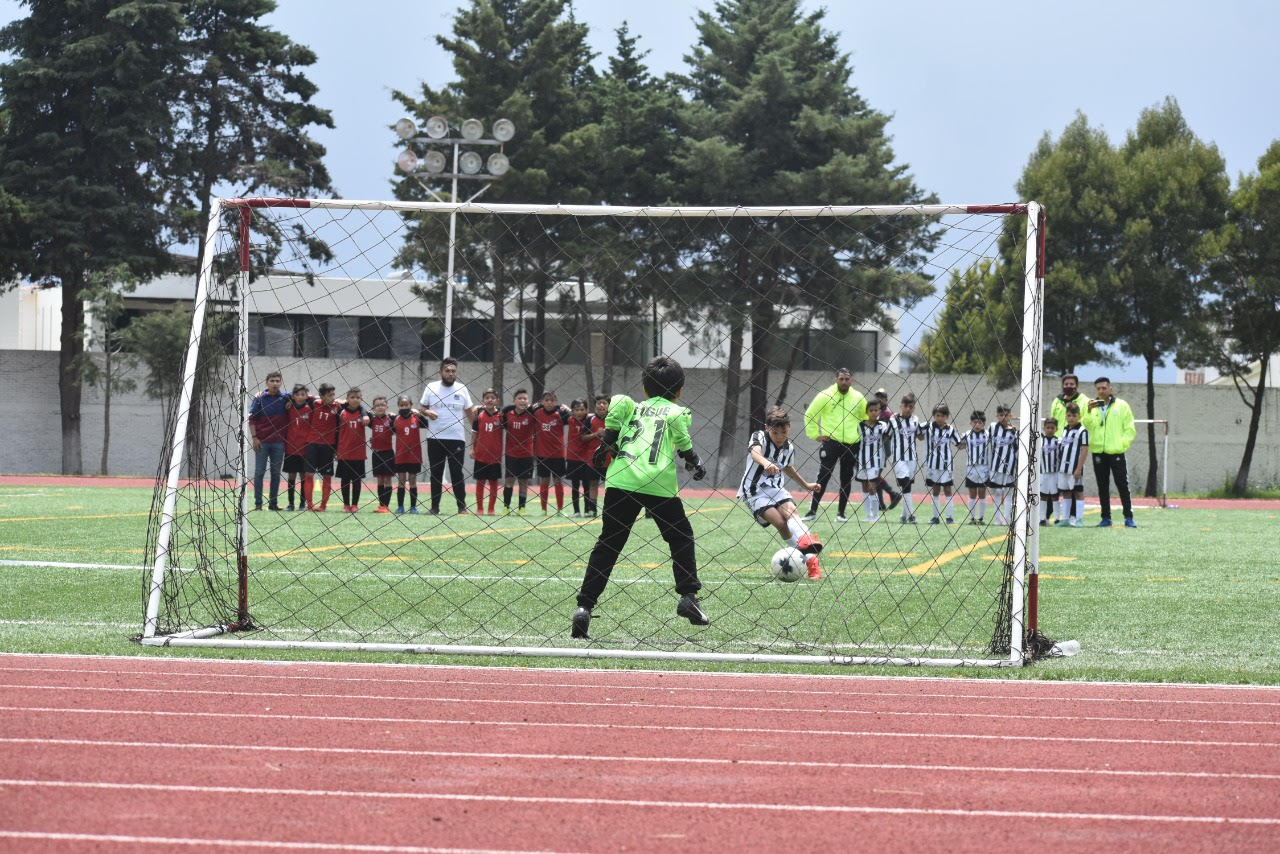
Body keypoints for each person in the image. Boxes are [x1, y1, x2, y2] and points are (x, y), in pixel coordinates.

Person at [571, 356, 709, 639]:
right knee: (680, 537)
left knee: (609, 544)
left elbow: (614, 421)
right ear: (679, 390)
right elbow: (683, 443)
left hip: (621, 479)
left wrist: (606, 443)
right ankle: (688, 596)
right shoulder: (676, 413)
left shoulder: (630, 407)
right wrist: (695, 462)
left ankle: (584, 607)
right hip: (657, 483)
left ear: (645, 389)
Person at [738, 407, 823, 578]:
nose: (779, 437)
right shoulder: (759, 436)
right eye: (775, 432)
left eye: (783, 432)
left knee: (791, 511)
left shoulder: (789, 447)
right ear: (767, 428)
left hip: (776, 489)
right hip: (754, 491)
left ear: (789, 428)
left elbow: (788, 468)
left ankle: (811, 558)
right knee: (781, 524)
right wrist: (765, 463)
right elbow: (755, 453)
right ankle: (804, 547)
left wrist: (806, 484)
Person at [802, 368, 868, 522]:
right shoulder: (825, 395)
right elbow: (810, 414)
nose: (844, 382)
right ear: (836, 379)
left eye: (847, 379)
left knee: (846, 478)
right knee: (824, 475)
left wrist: (861, 436)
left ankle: (841, 514)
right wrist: (815, 435)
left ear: (852, 380)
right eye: (841, 379)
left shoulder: (858, 398)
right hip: (830, 442)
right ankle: (812, 511)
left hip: (851, 444)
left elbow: (866, 417)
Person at [419, 357, 474, 515]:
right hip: (435, 437)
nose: (451, 374)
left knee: (457, 473)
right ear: (441, 372)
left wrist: (477, 434)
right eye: (447, 371)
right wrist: (427, 411)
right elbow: (422, 407)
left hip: (456, 438)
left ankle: (461, 507)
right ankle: (435, 507)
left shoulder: (462, 389)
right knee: (436, 473)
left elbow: (470, 413)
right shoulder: (431, 387)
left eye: (453, 371)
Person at [1083, 377, 1138, 528]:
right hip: (1098, 452)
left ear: (1110, 389)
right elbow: (1087, 425)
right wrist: (1088, 411)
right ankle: (1106, 518)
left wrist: (1122, 445)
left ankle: (1128, 517)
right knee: (1102, 486)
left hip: (1116, 452)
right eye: (1098, 388)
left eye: (1104, 388)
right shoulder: (1091, 406)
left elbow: (1130, 428)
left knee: (1122, 485)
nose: (1101, 391)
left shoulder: (1122, 406)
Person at [248, 370, 289, 510]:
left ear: (281, 382)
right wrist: (254, 438)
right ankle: (258, 504)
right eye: (272, 381)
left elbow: (305, 396)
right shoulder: (259, 398)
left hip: (279, 442)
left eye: (278, 381)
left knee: (276, 474)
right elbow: (252, 419)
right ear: (267, 383)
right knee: (259, 472)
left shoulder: (286, 397)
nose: (275, 383)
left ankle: (273, 504)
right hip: (262, 442)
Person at [393, 395, 435, 514]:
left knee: (412, 481)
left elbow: (428, 424)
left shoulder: (416, 418)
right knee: (401, 481)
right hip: (401, 455)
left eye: (406, 405)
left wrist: (420, 415)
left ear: (411, 405)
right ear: (398, 406)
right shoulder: (395, 419)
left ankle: (413, 507)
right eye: (402, 405)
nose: (404, 407)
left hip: (414, 456)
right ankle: (400, 507)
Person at [887, 393, 925, 524]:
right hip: (898, 458)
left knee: (906, 487)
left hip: (912, 458)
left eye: (911, 406)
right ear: (901, 406)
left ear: (913, 408)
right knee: (906, 485)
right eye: (906, 406)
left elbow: (921, 437)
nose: (908, 408)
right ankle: (911, 516)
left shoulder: (915, 420)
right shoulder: (893, 420)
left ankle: (903, 516)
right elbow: (886, 436)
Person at [533, 391, 571, 516]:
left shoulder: (561, 414)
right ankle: (544, 510)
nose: (549, 402)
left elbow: (576, 417)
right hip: (542, 453)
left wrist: (569, 410)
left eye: (552, 400)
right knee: (544, 480)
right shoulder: (536, 413)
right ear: (542, 402)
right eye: (546, 400)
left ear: (556, 402)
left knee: (558, 480)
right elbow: (521, 411)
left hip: (558, 454)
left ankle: (560, 509)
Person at [566, 398, 605, 518]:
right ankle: (576, 511)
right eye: (577, 410)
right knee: (575, 485)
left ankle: (588, 510)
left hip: (586, 458)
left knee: (587, 485)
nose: (579, 412)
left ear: (587, 410)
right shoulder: (569, 419)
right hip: (572, 457)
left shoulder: (589, 419)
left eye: (582, 410)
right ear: (572, 411)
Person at [305, 383, 341, 512]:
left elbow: (356, 405)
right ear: (321, 396)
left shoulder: (338, 407)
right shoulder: (313, 403)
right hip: (312, 445)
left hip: (328, 446)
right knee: (309, 474)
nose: (333, 397)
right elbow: (294, 395)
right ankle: (309, 505)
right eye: (329, 395)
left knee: (326, 477)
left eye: (333, 394)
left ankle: (323, 506)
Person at [854, 398, 890, 523]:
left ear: (879, 411)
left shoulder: (883, 425)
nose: (874, 413)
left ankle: (876, 515)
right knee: (864, 487)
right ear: (867, 412)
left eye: (876, 410)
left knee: (872, 487)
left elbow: (889, 436)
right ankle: (868, 515)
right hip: (862, 461)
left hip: (876, 461)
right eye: (871, 410)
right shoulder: (860, 425)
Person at [335, 388, 370, 512]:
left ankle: (355, 505)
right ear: (347, 399)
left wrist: (365, 413)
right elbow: (336, 432)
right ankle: (346, 505)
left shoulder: (364, 414)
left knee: (356, 480)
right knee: (345, 480)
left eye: (358, 397)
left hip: (358, 453)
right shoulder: (341, 412)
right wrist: (335, 450)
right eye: (352, 397)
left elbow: (378, 422)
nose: (355, 400)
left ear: (361, 399)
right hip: (344, 452)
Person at [924, 403, 961, 524]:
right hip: (933, 465)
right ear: (934, 416)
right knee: (935, 489)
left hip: (946, 465)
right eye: (937, 415)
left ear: (947, 416)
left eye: (942, 416)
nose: (939, 418)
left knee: (948, 489)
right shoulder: (928, 426)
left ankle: (949, 517)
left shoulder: (950, 429)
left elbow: (959, 444)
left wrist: (967, 440)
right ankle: (935, 517)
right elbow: (915, 428)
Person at [501, 389, 536, 514]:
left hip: (527, 454)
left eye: (525, 399)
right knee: (509, 480)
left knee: (523, 482)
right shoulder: (507, 413)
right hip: (511, 454)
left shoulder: (532, 414)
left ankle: (522, 508)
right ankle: (506, 507)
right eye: (520, 398)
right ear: (514, 401)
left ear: (528, 401)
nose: (522, 401)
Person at [281, 383, 314, 511]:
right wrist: (289, 399)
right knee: (291, 476)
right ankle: (291, 504)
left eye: (303, 394)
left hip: (305, 448)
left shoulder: (310, 407)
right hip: (291, 448)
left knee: (304, 476)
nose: (300, 397)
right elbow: (283, 396)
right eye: (298, 394)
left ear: (306, 396)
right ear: (293, 396)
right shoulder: (289, 407)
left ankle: (302, 503)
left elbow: (315, 398)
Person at [471, 389, 504, 516]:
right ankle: (480, 508)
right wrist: (472, 448)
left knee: (494, 483)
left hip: (495, 456)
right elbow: (475, 433)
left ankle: (491, 509)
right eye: (487, 398)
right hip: (481, 454)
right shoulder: (479, 415)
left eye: (492, 397)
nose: (490, 400)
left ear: (497, 400)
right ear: (483, 400)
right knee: (480, 482)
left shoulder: (501, 416)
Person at [1056, 402, 1090, 528]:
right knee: (1065, 492)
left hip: (1075, 468)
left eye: (1074, 416)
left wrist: (1079, 469)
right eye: (1069, 415)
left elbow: (1085, 450)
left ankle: (1079, 519)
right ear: (1065, 416)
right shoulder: (1065, 429)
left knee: (1078, 492)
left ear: (1079, 416)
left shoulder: (1082, 431)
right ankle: (1065, 519)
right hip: (1063, 468)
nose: (1071, 418)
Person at [871, 388, 902, 511]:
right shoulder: (877, 412)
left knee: (874, 475)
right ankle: (881, 504)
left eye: (882, 397)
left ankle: (893, 494)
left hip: (884, 447)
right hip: (877, 448)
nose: (879, 399)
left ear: (886, 400)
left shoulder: (888, 414)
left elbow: (894, 430)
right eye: (877, 396)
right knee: (875, 475)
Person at [988, 405, 1019, 525]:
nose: (1003, 417)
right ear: (997, 416)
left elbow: (1017, 449)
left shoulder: (1014, 430)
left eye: (1006, 415)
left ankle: (1007, 519)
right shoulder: (992, 427)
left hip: (1009, 467)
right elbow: (987, 444)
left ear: (1010, 416)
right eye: (1001, 415)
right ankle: (997, 519)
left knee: (1009, 493)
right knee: (996, 492)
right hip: (995, 466)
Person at [368, 396, 396, 513]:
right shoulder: (372, 420)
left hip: (388, 453)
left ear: (387, 407)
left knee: (387, 480)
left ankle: (386, 506)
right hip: (376, 454)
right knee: (379, 480)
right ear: (373, 408)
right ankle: (381, 505)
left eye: (382, 405)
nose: (380, 407)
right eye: (377, 405)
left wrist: (394, 416)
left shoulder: (391, 420)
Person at [1039, 417, 1062, 526]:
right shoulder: (1040, 441)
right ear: (1044, 428)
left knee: (1055, 496)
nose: (1050, 430)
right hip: (1043, 473)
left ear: (1056, 429)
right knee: (1043, 495)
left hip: (1054, 473)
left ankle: (1057, 518)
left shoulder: (1058, 441)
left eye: (1052, 428)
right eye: (1047, 427)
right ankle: (1042, 518)